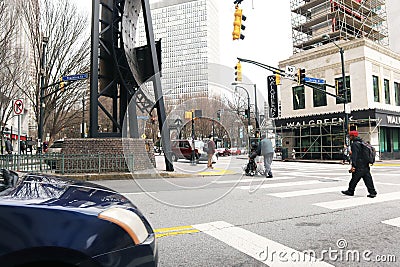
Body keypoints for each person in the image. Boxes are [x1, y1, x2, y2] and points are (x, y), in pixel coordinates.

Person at [342, 130, 377, 198]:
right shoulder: (362, 142)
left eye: (350, 136)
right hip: (365, 164)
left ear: (352, 136)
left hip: (359, 165)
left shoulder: (354, 144)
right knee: (368, 179)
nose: (349, 137)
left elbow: (354, 156)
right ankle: (372, 192)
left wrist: (353, 166)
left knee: (354, 179)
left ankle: (350, 191)